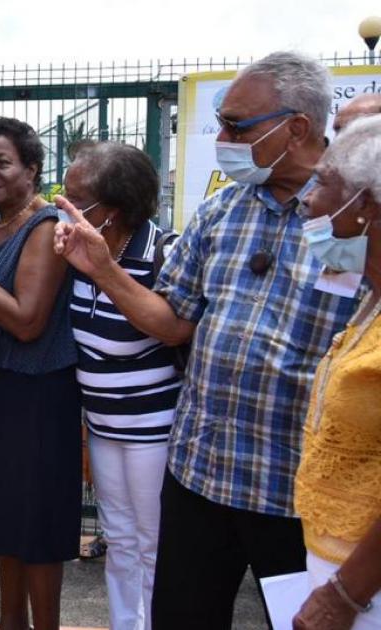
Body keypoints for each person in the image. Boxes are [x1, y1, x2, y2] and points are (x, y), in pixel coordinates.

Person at [53, 52, 360, 629]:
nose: (222, 137)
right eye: (220, 122)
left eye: (237, 126)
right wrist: (104, 268)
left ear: (297, 128)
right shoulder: (220, 212)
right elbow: (173, 322)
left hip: (297, 490)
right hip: (203, 473)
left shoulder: (354, 216)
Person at [0, 117, 79, 630]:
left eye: (1, 162)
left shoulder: (44, 226)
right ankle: (11, 623)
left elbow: (27, 320)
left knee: (37, 527)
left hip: (34, 397)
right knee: (5, 521)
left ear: (32, 168)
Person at [57, 142, 180, 630]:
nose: (63, 209)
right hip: (105, 425)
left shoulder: (162, 251)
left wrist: (104, 269)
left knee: (154, 542)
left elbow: (171, 326)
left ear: (115, 207)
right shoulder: (75, 247)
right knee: (120, 538)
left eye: (75, 200)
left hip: (154, 429)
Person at [292, 115, 381, 630]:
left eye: (324, 183)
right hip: (334, 564)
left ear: (365, 204)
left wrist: (345, 595)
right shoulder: (370, 297)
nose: (308, 199)